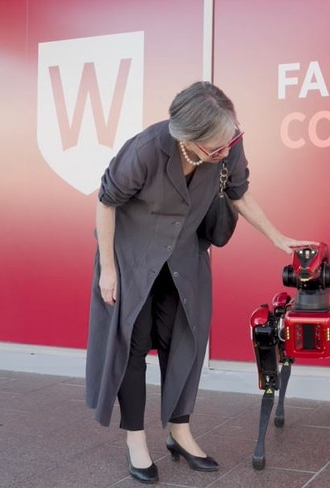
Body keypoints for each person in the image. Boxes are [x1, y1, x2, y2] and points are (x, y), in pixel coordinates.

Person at [85, 81, 315, 484]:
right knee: (133, 347)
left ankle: (179, 431)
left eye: (230, 141)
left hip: (184, 260)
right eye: (215, 148)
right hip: (132, 260)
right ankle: (135, 440)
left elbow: (238, 193)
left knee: (185, 344)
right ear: (188, 139)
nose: (225, 151)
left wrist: (277, 237)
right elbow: (106, 202)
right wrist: (108, 268)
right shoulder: (145, 150)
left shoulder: (227, 141)